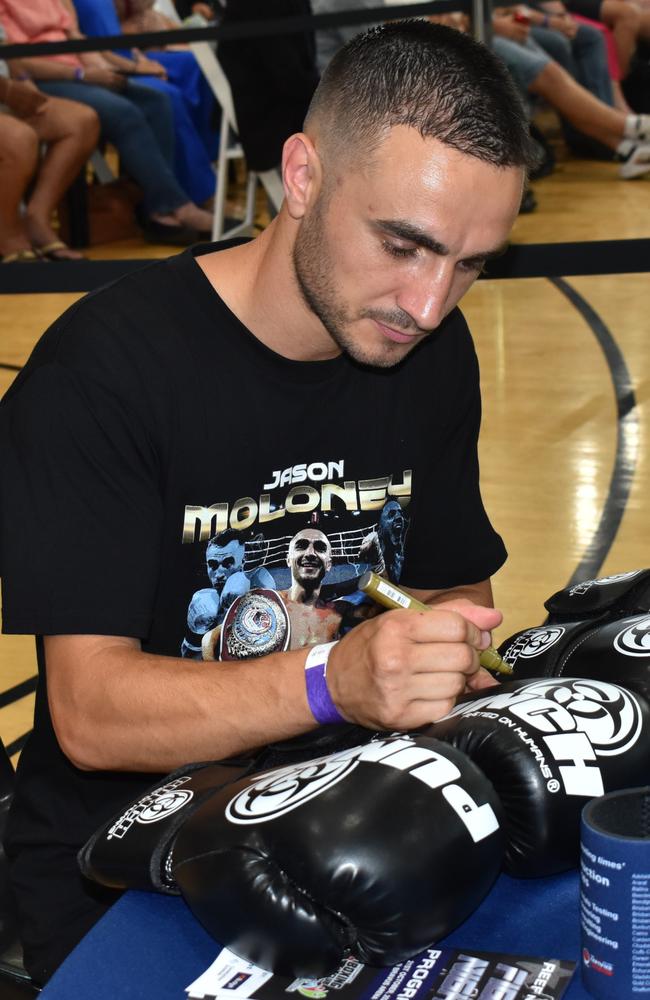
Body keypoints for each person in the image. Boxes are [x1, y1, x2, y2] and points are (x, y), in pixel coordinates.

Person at [0, 20, 534, 986]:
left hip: (359, 823)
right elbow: (89, 713)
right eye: (404, 245)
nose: (429, 303)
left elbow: (457, 600)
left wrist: (459, 660)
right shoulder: (103, 372)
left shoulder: (431, 355)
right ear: (301, 175)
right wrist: (336, 678)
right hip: (127, 867)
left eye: (470, 263)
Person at [0, 0, 216, 243]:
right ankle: (175, 205)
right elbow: (15, 60)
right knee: (124, 112)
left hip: (79, 70)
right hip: (48, 77)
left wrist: (125, 68)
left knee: (158, 101)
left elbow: (79, 40)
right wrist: (82, 74)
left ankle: (157, 209)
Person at [72, 0, 219, 208]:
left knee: (198, 66)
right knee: (168, 96)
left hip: (127, 54)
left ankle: (206, 161)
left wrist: (140, 59)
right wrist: (135, 67)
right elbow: (90, 44)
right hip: (108, 64)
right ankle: (198, 192)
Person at [490, 6, 650, 175]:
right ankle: (631, 126)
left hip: (500, 21)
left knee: (576, 46)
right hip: (478, 32)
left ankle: (627, 148)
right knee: (549, 66)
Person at [0, 47, 100, 260]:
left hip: (7, 94)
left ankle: (37, 218)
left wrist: (23, 80)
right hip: (4, 93)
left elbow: (5, 47)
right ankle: (8, 237)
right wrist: (7, 90)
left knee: (81, 121)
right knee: (19, 139)